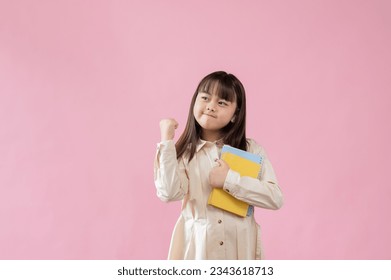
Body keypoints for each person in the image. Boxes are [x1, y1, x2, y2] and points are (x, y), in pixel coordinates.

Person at [154, 71, 283, 260]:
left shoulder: (251, 150)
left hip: (239, 252)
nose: (211, 107)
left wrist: (230, 180)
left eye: (222, 102)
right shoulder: (183, 154)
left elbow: (275, 198)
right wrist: (166, 142)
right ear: (194, 102)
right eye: (205, 98)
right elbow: (168, 193)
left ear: (235, 114)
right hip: (198, 251)